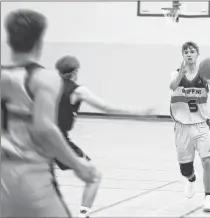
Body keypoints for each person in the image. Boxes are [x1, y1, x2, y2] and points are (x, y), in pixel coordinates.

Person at [1, 9, 100, 218]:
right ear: (39, 42)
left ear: (8, 41)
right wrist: (77, 165)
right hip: (30, 177)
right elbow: (44, 128)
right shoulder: (44, 78)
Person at [53, 55, 156, 217]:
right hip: (59, 140)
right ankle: (83, 215)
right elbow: (106, 107)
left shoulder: (45, 86)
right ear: (75, 72)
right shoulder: (78, 90)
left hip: (38, 137)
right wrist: (138, 112)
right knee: (94, 177)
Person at [169, 41, 210, 212]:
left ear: (197, 55)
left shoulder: (204, 75)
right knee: (185, 169)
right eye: (186, 51)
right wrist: (181, 75)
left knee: (207, 161)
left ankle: (208, 197)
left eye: (192, 51)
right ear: (183, 55)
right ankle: (191, 179)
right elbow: (172, 86)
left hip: (201, 125)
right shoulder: (175, 73)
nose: (189, 54)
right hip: (182, 127)